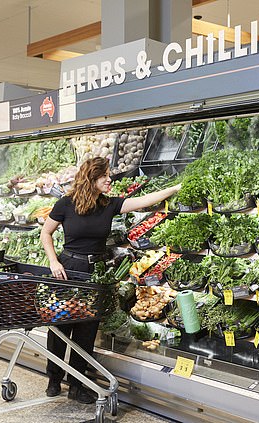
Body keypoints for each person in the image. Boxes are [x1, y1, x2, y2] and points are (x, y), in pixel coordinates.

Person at [40, 157, 180, 403]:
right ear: (92, 178)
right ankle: (54, 378)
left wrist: (175, 188)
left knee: (86, 330)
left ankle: (77, 384)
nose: (110, 179)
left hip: (96, 271)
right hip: (68, 269)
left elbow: (143, 201)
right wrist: (54, 261)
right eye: (105, 175)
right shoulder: (65, 204)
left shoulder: (109, 204)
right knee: (61, 325)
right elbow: (46, 233)